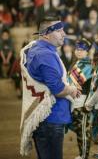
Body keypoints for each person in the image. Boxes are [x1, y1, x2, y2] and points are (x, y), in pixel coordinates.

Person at [20, 15, 80, 159]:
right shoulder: (45, 55)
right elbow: (58, 90)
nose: (64, 34)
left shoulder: (35, 48)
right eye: (59, 31)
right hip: (50, 120)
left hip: (48, 120)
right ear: (46, 34)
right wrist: (72, 89)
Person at [67, 38, 93, 159]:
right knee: (79, 131)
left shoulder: (89, 65)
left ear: (88, 51)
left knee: (83, 132)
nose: (79, 52)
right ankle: (82, 154)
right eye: (77, 49)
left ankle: (84, 156)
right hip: (73, 101)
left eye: (82, 50)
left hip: (82, 103)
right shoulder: (76, 62)